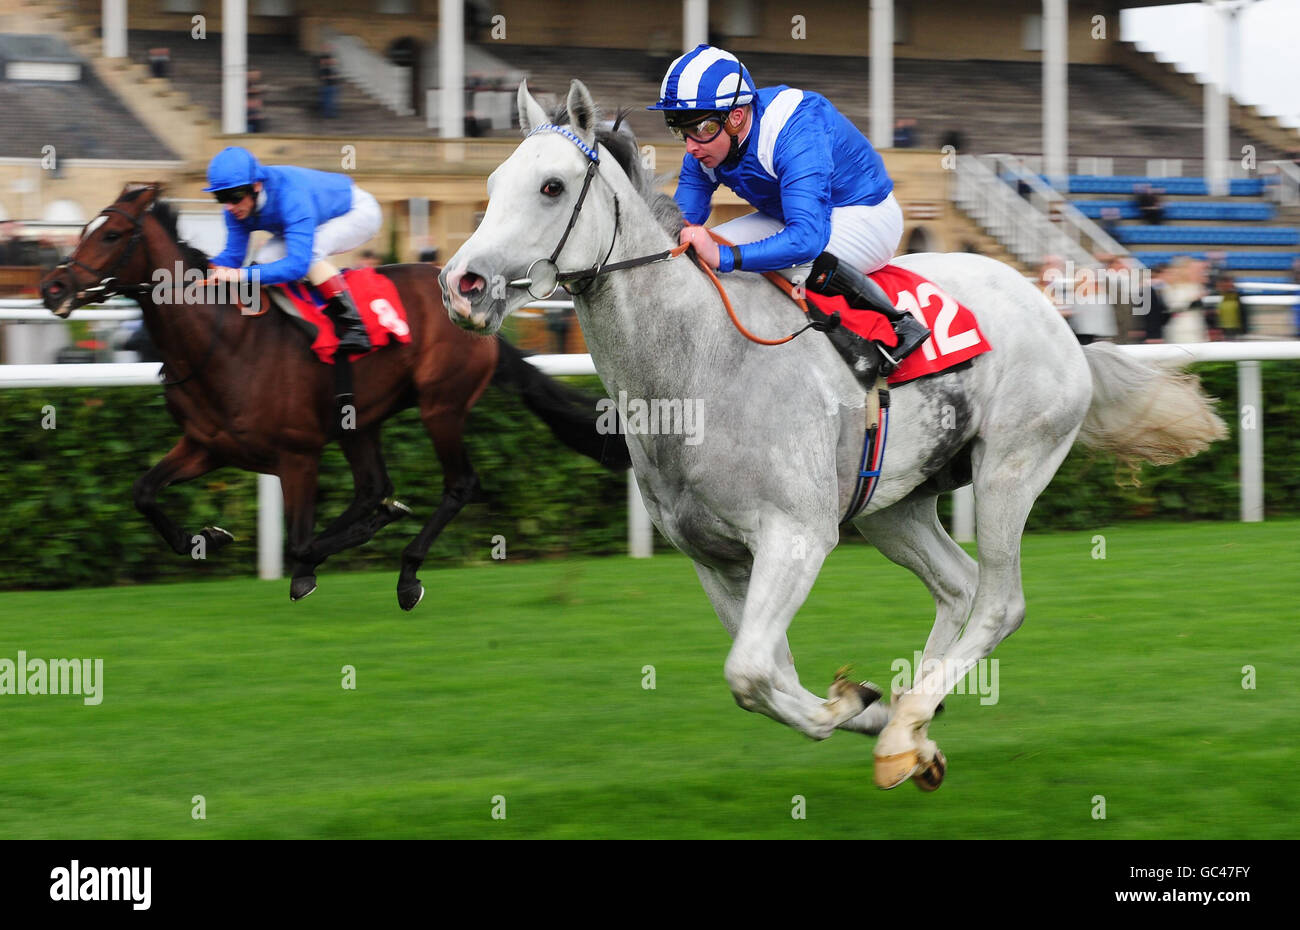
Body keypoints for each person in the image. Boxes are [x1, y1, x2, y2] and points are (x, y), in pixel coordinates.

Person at [648, 44, 929, 385]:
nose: (691, 146)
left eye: (701, 129)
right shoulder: (706, 145)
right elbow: (683, 225)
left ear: (736, 117)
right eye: (680, 131)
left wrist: (724, 256)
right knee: (703, 257)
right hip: (795, 217)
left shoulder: (793, 129)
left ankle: (898, 324)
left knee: (778, 261)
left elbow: (807, 238)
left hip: (865, 214)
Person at [203, 145, 382, 353]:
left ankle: (355, 326)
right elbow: (233, 257)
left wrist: (240, 275)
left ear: (257, 186)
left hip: (357, 212)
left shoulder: (290, 195)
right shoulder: (234, 210)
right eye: (220, 197)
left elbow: (298, 265)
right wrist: (199, 272)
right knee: (262, 260)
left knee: (311, 252)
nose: (229, 206)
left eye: (234, 196)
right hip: (315, 217)